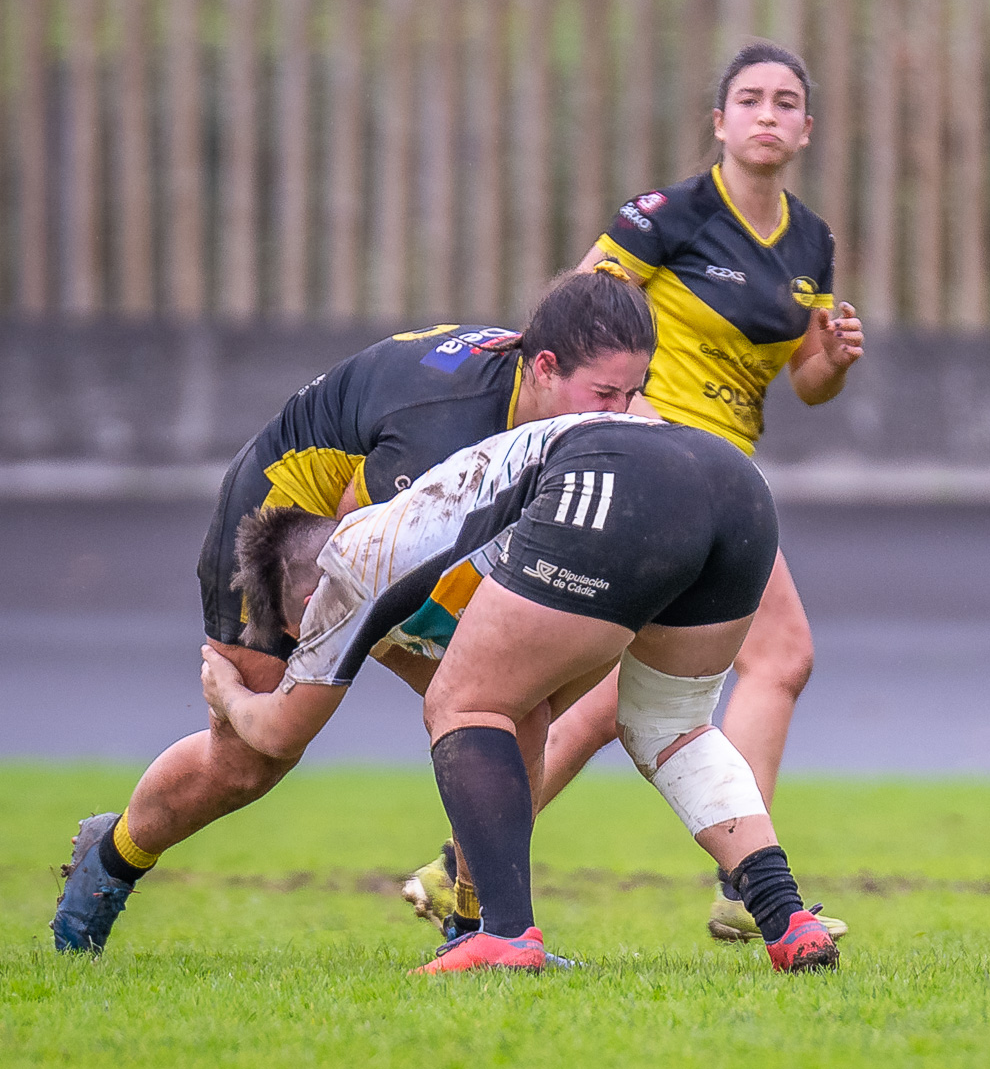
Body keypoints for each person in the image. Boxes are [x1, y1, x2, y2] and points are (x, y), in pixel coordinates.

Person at [50, 267, 656, 953]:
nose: (621, 411)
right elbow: (357, 553)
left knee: (517, 705)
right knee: (249, 759)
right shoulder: (445, 423)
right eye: (607, 393)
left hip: (381, 541)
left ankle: (484, 931)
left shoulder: (553, 403)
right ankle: (112, 858)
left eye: (634, 392)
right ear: (543, 366)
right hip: (287, 531)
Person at [404, 40, 862, 944]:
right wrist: (633, 418)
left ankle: (459, 864)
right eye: (749, 100)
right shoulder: (670, 217)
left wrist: (831, 360)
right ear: (719, 122)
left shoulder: (812, 242)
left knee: (614, 698)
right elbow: (579, 314)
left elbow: (805, 383)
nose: (767, 114)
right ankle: (747, 890)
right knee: (780, 656)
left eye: (785, 102)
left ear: (806, 128)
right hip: (658, 468)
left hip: (719, 476)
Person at [196, 409, 839, 974]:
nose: (309, 650)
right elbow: (526, 699)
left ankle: (504, 938)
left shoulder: (345, 568)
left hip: (618, 480)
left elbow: (282, 730)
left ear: (306, 602)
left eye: (299, 636)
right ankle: (787, 921)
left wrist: (227, 691)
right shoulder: (422, 530)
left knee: (459, 703)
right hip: (735, 484)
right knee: (671, 725)